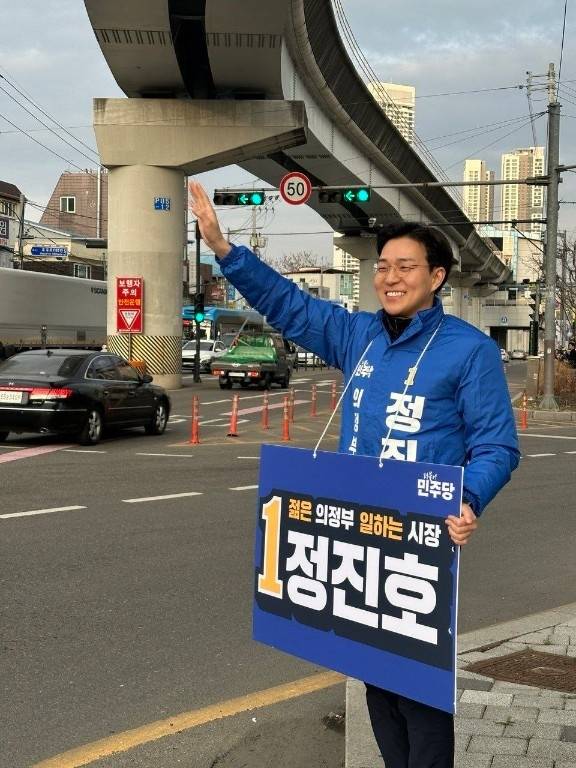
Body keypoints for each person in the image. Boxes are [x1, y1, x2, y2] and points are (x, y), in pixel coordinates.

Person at [189, 180, 520, 768]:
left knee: (418, 688)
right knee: (374, 675)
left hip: (420, 537)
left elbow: (496, 446)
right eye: (384, 266)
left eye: (406, 267)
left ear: (437, 277)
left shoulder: (469, 351)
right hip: (356, 531)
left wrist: (467, 498)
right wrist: (223, 247)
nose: (390, 277)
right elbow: (290, 304)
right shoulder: (359, 336)